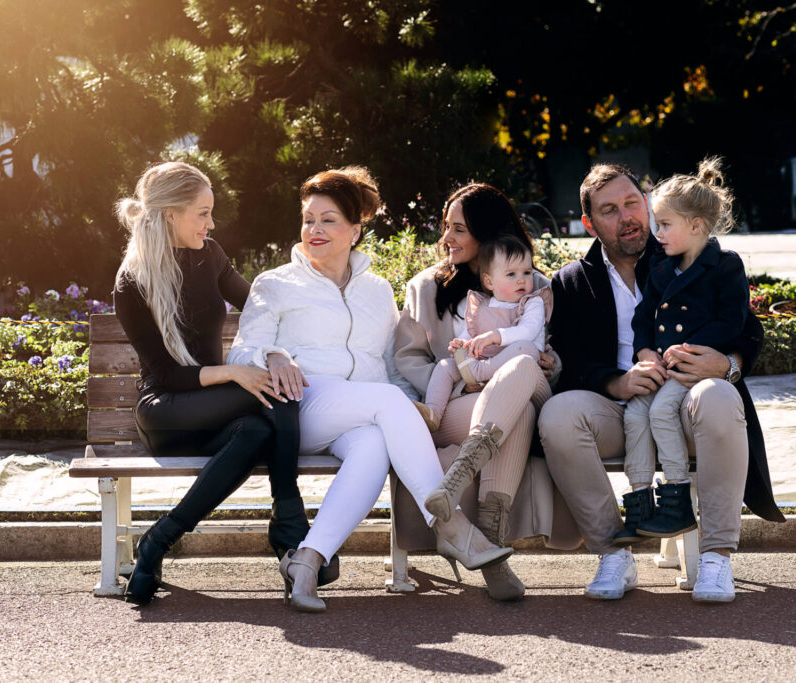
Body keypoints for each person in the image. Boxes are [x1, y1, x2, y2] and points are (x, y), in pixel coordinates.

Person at [227, 167, 511, 613]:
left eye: (328, 220)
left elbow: (385, 367)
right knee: (385, 405)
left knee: (374, 447)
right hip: (300, 403)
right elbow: (241, 352)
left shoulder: (377, 291)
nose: (313, 230)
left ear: (355, 231)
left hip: (359, 411)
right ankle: (452, 527)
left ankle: (306, 563)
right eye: (308, 219)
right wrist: (273, 355)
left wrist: (410, 406)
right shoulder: (275, 283)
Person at [538, 163, 784, 604]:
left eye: (633, 203)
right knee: (558, 414)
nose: (627, 216)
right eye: (610, 210)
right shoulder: (572, 282)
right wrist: (616, 382)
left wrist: (724, 364)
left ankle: (716, 557)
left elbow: (748, 331)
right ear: (590, 223)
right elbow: (570, 361)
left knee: (718, 394)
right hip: (618, 411)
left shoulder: (688, 254)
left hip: (689, 404)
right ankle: (613, 552)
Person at [113, 161, 315, 605]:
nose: (210, 223)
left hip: (219, 410)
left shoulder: (211, 255)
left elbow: (260, 308)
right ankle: (289, 523)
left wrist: (275, 351)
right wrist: (232, 373)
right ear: (171, 214)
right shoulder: (132, 281)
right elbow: (165, 375)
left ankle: (159, 540)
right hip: (167, 410)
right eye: (202, 213)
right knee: (268, 394)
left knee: (266, 413)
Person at [395, 183, 556, 601]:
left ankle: (456, 491)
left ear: (487, 233)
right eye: (446, 227)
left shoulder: (532, 284)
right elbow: (407, 358)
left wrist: (553, 363)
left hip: (526, 386)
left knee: (519, 368)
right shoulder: (427, 288)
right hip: (458, 403)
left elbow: (550, 348)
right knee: (512, 411)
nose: (446, 238)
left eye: (458, 229)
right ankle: (491, 545)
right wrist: (462, 374)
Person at [617, 157, 750, 544]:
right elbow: (643, 316)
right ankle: (640, 501)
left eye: (664, 225)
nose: (656, 233)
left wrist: (692, 346)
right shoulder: (662, 267)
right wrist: (644, 351)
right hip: (661, 366)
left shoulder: (724, 266)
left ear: (696, 226)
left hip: (690, 368)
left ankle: (676, 500)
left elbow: (733, 320)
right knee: (635, 414)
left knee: (658, 411)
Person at [415, 234, 552, 435]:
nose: (521, 279)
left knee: (527, 349)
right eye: (511, 274)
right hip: (485, 364)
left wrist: (495, 336)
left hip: (518, 372)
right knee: (445, 366)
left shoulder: (532, 303)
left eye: (527, 272)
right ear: (489, 282)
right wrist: (461, 345)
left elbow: (527, 331)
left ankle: (478, 374)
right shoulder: (481, 306)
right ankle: (434, 412)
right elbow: (470, 333)